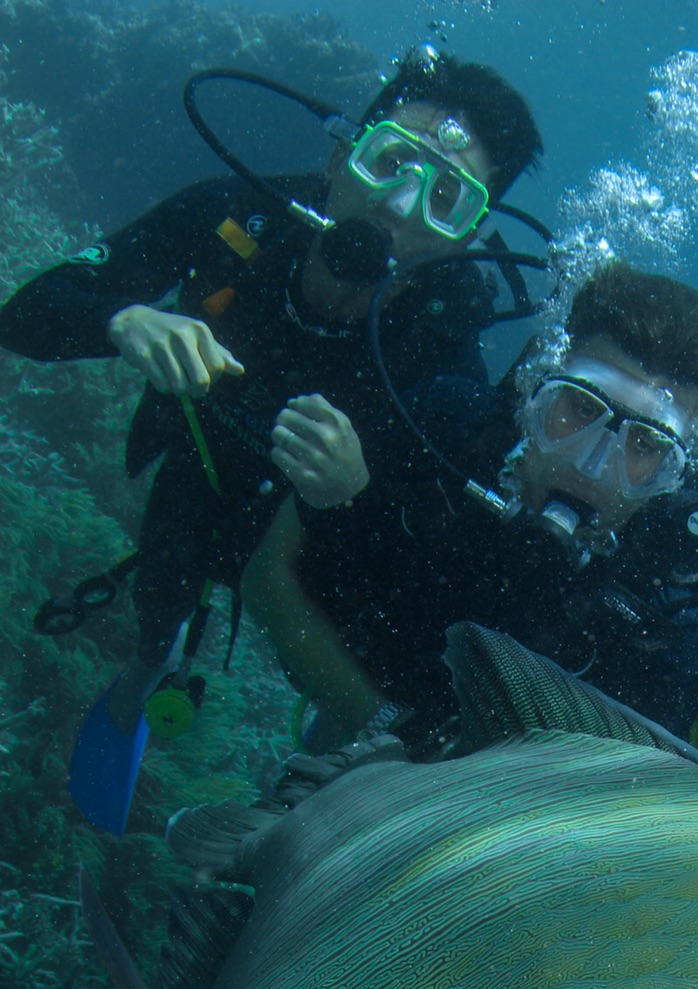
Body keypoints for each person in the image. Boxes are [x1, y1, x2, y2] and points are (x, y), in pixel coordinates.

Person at [0, 47, 543, 830]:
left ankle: (327, 778)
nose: (395, 205)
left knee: (356, 707)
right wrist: (122, 319)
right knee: (159, 621)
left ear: (464, 237)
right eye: (389, 160)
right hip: (200, 477)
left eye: (445, 198)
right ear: (339, 154)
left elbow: (431, 571)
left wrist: (355, 496)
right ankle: (145, 676)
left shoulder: (445, 354)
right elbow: (26, 312)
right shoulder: (233, 222)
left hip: (316, 555)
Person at [240, 261, 698, 749]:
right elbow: (268, 579)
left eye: (645, 445)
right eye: (579, 408)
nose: (591, 466)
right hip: (365, 712)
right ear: (535, 388)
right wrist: (389, 730)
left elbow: (624, 793)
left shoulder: (669, 598)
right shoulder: (444, 429)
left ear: (673, 476)